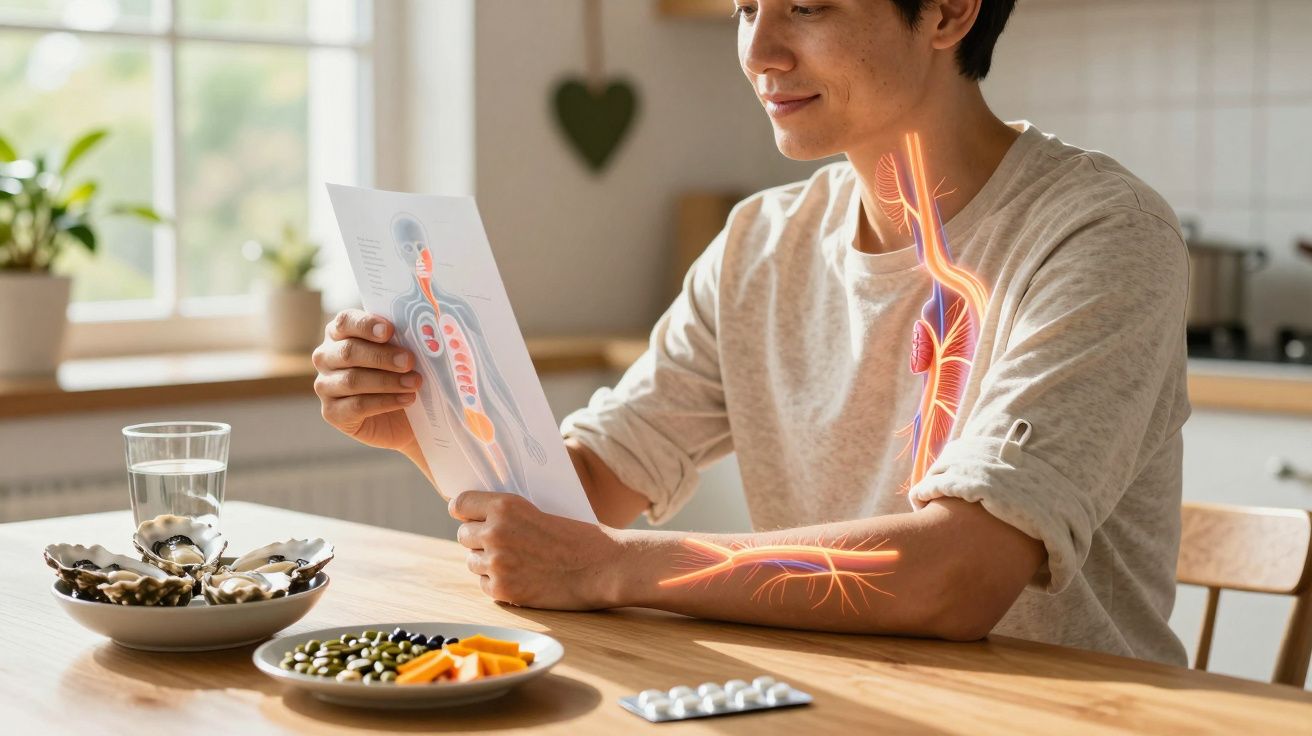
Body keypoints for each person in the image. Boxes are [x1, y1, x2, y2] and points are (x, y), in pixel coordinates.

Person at [312, 0, 1190, 665]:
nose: (760, 52)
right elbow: (574, 511)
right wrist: (422, 421)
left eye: (806, 6)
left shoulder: (1102, 233)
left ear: (949, 12)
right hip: (829, 704)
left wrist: (612, 567)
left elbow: (959, 575)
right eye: (743, 6)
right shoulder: (759, 244)